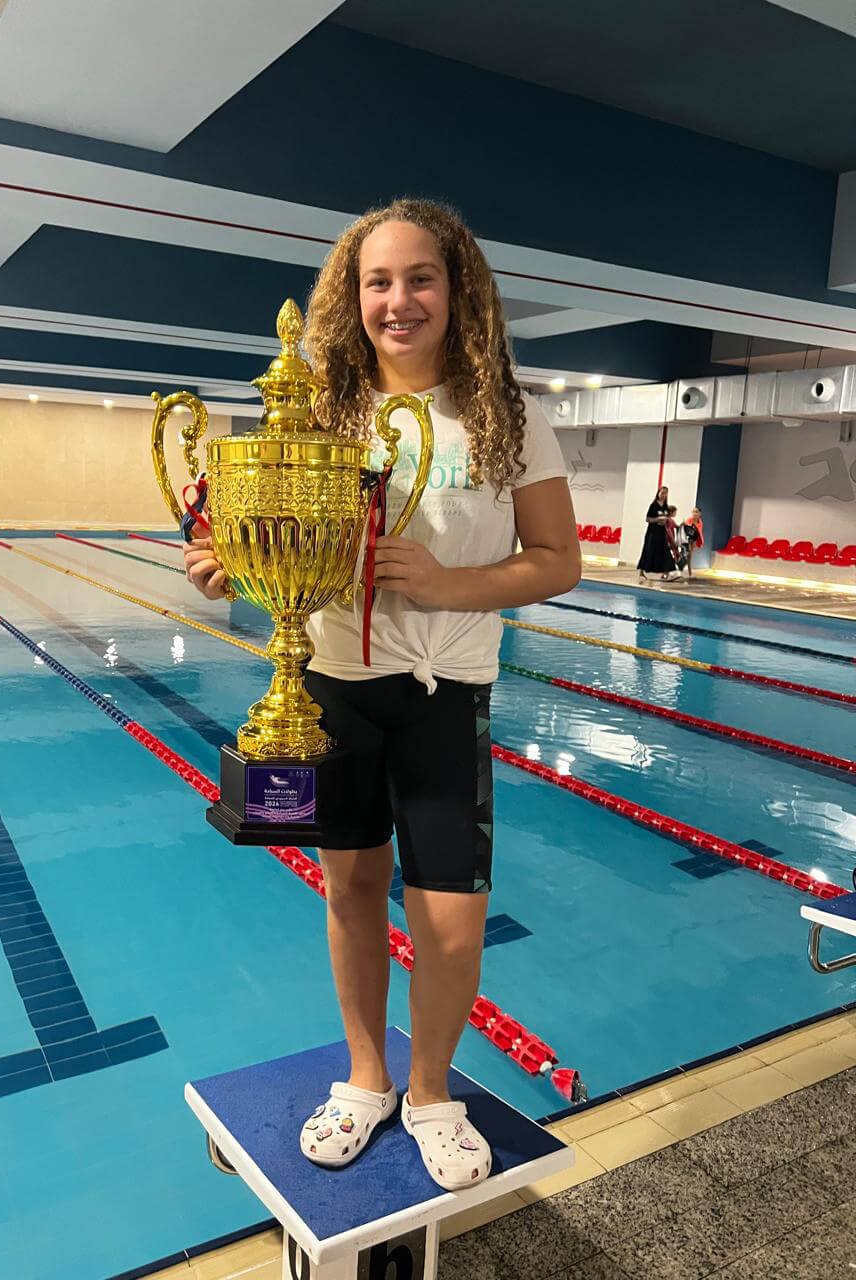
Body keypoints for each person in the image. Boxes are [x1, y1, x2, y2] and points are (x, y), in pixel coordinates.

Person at [184, 198, 581, 1191]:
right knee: (353, 889)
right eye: (377, 281)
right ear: (352, 296)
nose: (397, 301)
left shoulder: (510, 418)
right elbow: (268, 534)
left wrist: (447, 583)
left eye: (419, 278)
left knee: (451, 918)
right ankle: (367, 1075)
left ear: (458, 289)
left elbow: (558, 559)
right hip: (333, 689)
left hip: (446, 694)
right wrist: (234, 564)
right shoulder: (322, 412)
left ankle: (432, 1090)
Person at [636, 485, 675, 582]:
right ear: (658, 493)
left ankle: (666, 572)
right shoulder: (653, 505)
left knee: (665, 551)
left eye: (665, 494)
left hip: (662, 532)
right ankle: (642, 571)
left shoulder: (665, 506)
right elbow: (647, 519)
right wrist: (657, 519)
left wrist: (666, 521)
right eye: (662, 493)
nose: (663, 495)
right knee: (648, 550)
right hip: (652, 532)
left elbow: (667, 518)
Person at [677, 507, 703, 579]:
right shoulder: (689, 520)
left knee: (689, 557)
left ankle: (689, 573)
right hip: (686, 541)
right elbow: (685, 529)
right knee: (686, 555)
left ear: (700, 513)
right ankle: (681, 571)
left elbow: (698, 533)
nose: (694, 513)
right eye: (693, 512)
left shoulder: (700, 522)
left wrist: (696, 542)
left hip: (693, 541)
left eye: (696, 512)